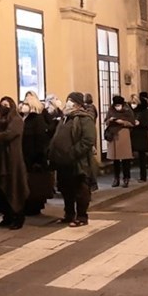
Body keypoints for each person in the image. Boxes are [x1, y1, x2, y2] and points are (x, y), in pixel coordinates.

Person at [48, 92, 96, 226]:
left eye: (71, 101)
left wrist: (72, 153)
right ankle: (69, 214)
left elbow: (88, 140)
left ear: (78, 104)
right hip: (63, 161)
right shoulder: (65, 118)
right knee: (66, 189)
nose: (67, 103)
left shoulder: (84, 119)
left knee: (80, 189)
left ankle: (81, 216)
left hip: (77, 161)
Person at [0, 97, 30, 230]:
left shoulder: (16, 120)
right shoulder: (0, 120)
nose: (4, 107)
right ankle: (6, 216)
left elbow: (9, 134)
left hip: (13, 158)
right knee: (2, 188)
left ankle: (18, 217)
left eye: (6, 105)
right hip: (1, 159)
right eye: (2, 105)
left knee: (14, 186)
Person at [20, 92, 51, 216]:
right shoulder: (23, 118)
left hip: (34, 156)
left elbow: (40, 139)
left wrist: (38, 157)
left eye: (26, 104)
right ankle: (29, 204)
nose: (23, 106)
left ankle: (35, 206)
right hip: (26, 155)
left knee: (35, 183)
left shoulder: (37, 119)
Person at [104, 95, 135, 187]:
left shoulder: (127, 110)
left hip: (124, 134)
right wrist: (110, 120)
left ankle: (126, 178)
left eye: (119, 105)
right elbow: (106, 121)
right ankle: (116, 178)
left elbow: (132, 123)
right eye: (116, 105)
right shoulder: (111, 110)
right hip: (113, 135)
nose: (117, 107)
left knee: (125, 159)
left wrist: (123, 122)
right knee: (115, 160)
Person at [129, 94, 148, 182]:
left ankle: (143, 176)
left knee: (142, 156)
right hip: (133, 134)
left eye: (134, 102)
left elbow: (147, 122)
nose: (133, 104)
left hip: (141, 135)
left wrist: (140, 123)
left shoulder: (143, 111)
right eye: (132, 103)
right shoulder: (130, 111)